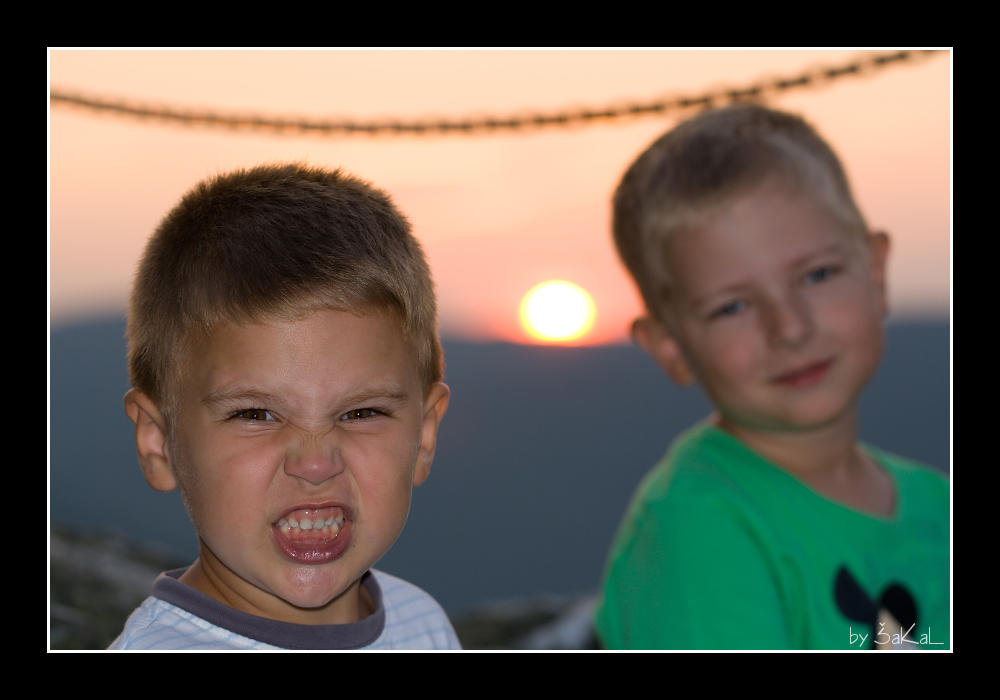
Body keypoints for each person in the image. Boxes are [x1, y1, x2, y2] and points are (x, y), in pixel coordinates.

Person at [594, 104, 950, 650]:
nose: (789, 327)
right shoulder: (703, 528)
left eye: (817, 275)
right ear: (671, 345)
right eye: (732, 307)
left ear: (875, 272)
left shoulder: (937, 505)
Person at [110, 163, 459, 649]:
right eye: (255, 415)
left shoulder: (421, 622)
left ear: (424, 436)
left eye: (361, 413)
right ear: (159, 443)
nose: (315, 463)